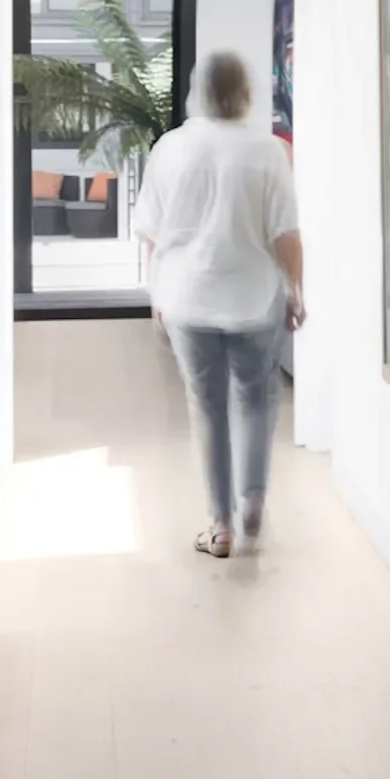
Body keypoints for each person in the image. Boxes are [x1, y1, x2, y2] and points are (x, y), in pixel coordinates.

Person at [134, 49, 305, 558]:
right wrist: (297, 290)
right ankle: (252, 499)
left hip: (186, 297)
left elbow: (149, 232)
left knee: (206, 407)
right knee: (257, 398)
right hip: (254, 298)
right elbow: (286, 234)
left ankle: (220, 524)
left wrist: (156, 295)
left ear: (197, 90)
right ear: (246, 92)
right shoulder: (268, 150)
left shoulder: (171, 147)